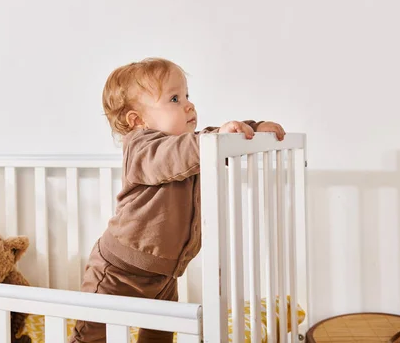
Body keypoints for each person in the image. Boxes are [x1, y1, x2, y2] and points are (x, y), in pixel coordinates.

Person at [69, 58, 285, 343]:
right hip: (119, 271)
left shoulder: (192, 145)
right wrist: (214, 139)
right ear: (138, 120)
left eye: (187, 96)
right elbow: (177, 154)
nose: (188, 105)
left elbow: (207, 140)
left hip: (165, 274)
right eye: (174, 98)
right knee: (92, 335)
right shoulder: (142, 148)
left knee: (159, 334)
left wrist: (253, 128)